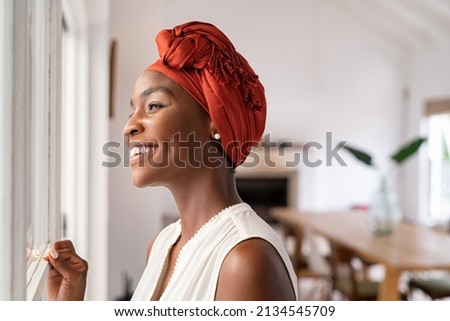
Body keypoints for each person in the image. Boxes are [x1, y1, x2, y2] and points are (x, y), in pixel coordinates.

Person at [45, 21, 298, 301]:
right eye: (133, 111)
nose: (128, 126)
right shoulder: (162, 244)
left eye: (153, 106)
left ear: (216, 121)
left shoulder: (245, 260)